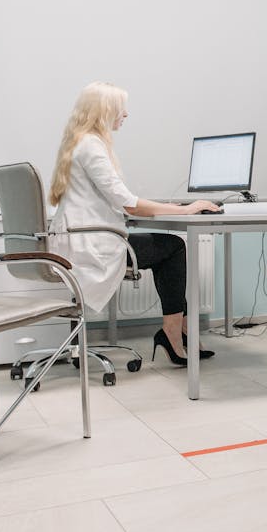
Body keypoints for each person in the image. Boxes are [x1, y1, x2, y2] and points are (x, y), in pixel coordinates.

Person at [49, 81, 222, 366]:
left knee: (170, 247)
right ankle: (174, 332)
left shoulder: (79, 143)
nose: (126, 114)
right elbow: (128, 203)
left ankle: (180, 330)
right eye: (121, 108)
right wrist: (188, 209)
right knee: (175, 247)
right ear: (104, 111)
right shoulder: (91, 146)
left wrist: (174, 209)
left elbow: (117, 199)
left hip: (81, 240)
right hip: (92, 245)